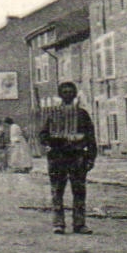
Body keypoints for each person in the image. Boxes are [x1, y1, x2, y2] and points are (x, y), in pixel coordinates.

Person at [39, 82, 98, 234]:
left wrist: (91, 157)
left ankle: (80, 223)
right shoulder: (52, 114)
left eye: (70, 92)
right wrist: (52, 141)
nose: (67, 94)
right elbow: (43, 134)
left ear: (74, 94)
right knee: (57, 190)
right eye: (64, 92)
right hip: (57, 156)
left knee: (79, 190)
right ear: (60, 94)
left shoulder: (82, 114)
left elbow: (90, 137)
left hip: (77, 156)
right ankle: (58, 223)